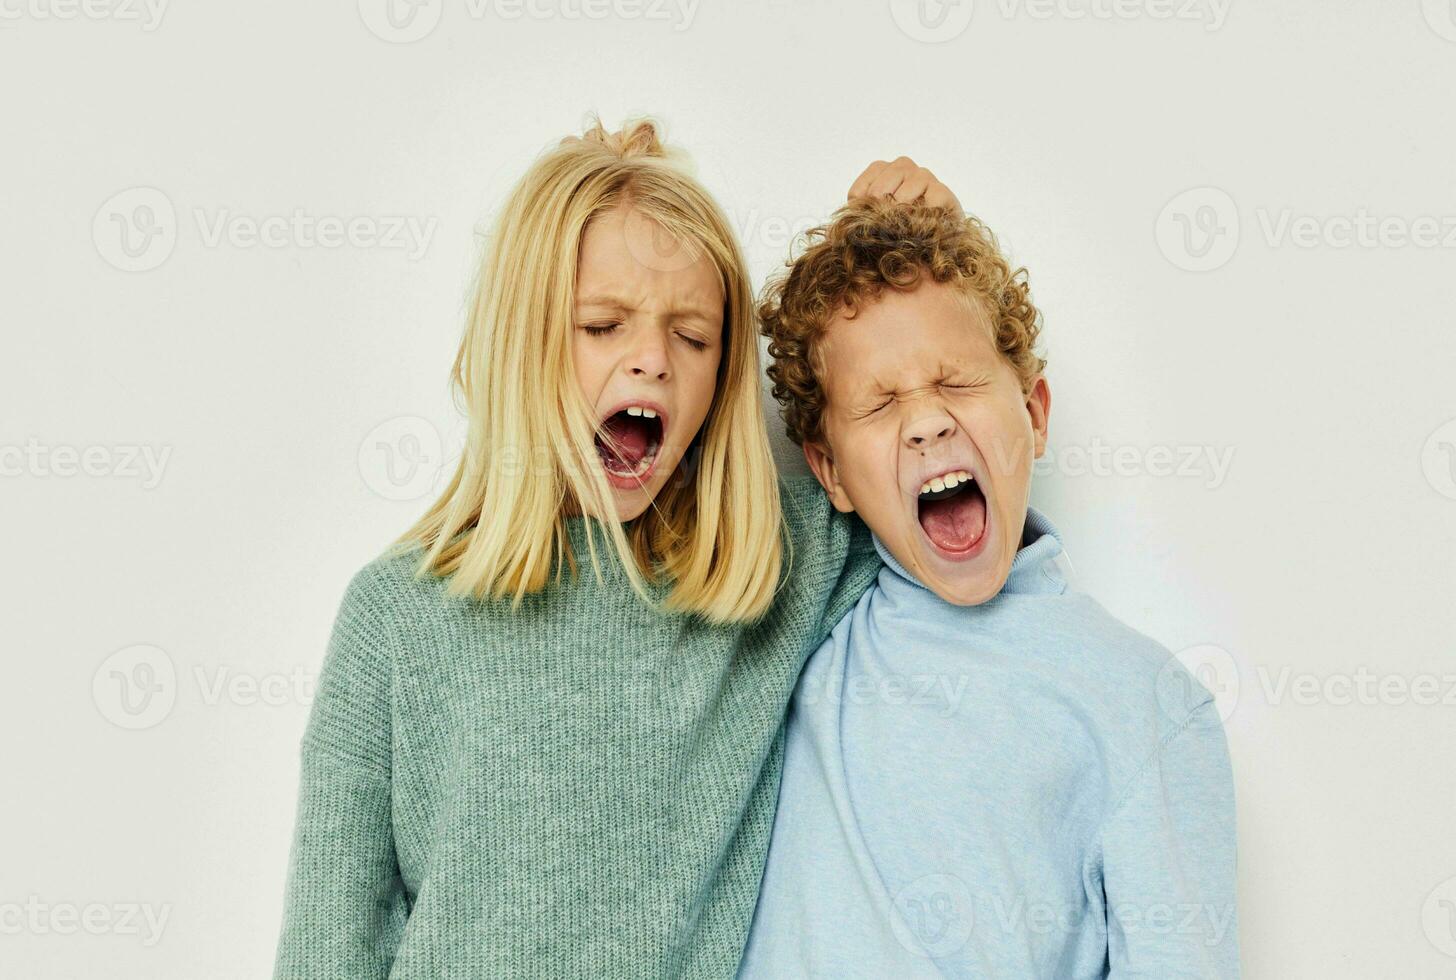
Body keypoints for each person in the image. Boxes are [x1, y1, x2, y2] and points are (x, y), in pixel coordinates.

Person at [272, 119, 958, 978]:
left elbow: (945, 503)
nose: (651, 362)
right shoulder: (394, 619)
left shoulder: (780, 567)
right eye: (602, 326)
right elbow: (325, 952)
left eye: (693, 337)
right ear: (521, 343)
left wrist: (917, 268)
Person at [739, 199, 1239, 978]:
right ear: (828, 472)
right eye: (879, 403)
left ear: (1034, 414)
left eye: (959, 382)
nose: (927, 423)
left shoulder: (1145, 703)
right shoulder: (798, 634)